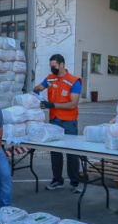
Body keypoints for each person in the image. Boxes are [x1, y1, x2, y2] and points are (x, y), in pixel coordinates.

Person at [32, 54, 82, 193]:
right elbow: (39, 87)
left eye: (54, 66)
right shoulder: (50, 78)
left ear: (62, 65)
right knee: (55, 152)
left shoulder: (74, 81)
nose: (52, 68)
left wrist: (52, 104)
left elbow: (73, 104)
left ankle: (75, 182)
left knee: (72, 153)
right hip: (54, 121)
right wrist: (36, 92)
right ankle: (57, 180)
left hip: (69, 121)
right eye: (50, 66)